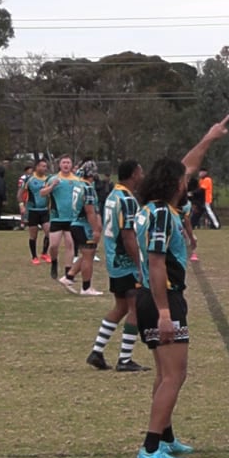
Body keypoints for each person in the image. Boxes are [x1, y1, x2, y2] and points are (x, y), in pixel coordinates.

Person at [136, 115, 229, 458]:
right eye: (181, 180)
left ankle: (166, 436)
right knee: (176, 374)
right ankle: (150, 447)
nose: (185, 182)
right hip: (164, 297)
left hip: (151, 295)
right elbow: (157, 263)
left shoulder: (152, 209)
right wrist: (164, 312)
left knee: (164, 374)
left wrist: (208, 137)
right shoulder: (162, 215)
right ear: (171, 184)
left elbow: (187, 165)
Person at [88, 159, 147, 372]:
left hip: (114, 260)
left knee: (121, 306)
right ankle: (125, 359)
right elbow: (128, 235)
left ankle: (97, 351)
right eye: (140, 171)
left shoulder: (113, 195)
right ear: (133, 174)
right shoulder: (127, 200)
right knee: (134, 308)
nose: (142, 175)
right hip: (126, 262)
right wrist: (140, 264)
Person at [40, 156, 86, 287]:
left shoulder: (77, 180)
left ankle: (68, 272)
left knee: (70, 245)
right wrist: (52, 186)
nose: (66, 165)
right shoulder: (53, 179)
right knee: (53, 245)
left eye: (68, 162)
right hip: (57, 217)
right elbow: (42, 193)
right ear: (59, 165)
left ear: (71, 165)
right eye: (64, 162)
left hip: (72, 218)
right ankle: (54, 262)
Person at [66, 162, 103, 295]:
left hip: (76, 223)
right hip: (83, 225)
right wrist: (96, 229)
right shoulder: (87, 188)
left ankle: (69, 276)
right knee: (89, 256)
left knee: (88, 254)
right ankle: (86, 287)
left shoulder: (78, 185)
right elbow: (89, 211)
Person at [19, 159, 49, 263]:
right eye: (42, 166)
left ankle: (44, 253)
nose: (44, 168)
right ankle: (34, 257)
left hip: (45, 210)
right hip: (32, 210)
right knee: (33, 235)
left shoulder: (48, 179)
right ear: (37, 167)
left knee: (48, 232)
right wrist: (21, 205)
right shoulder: (29, 179)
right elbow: (20, 193)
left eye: (45, 166)